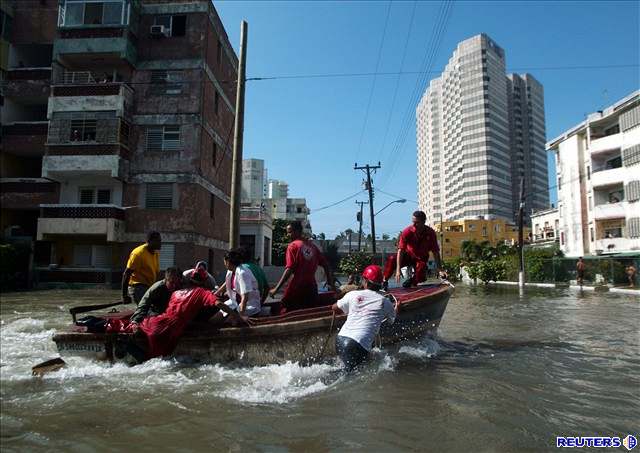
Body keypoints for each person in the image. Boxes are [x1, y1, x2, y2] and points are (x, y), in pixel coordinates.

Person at [126, 287, 247, 362]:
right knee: (157, 359)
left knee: (154, 360)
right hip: (172, 328)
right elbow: (218, 304)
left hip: (156, 322)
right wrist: (236, 316)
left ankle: (127, 345)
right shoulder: (202, 292)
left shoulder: (175, 292)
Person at [331, 265, 398, 372]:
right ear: (380, 284)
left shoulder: (352, 295)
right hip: (357, 344)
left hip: (340, 340)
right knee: (352, 376)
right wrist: (397, 308)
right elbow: (391, 320)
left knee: (345, 371)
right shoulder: (384, 302)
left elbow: (334, 307)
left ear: (365, 281)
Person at [269, 221, 336, 312]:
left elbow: (289, 269)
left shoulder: (292, 246)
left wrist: (276, 289)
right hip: (311, 289)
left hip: (296, 288)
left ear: (297, 231)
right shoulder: (312, 247)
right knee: (310, 313)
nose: (287, 235)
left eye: (290, 232)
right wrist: (330, 284)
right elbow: (326, 265)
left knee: (285, 310)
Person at [383, 211, 443, 289]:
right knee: (391, 259)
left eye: (417, 222)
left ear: (423, 222)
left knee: (421, 271)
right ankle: (384, 281)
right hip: (408, 256)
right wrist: (398, 270)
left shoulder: (430, 233)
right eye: (413, 222)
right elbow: (400, 251)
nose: (414, 224)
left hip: (421, 258)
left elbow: (435, 252)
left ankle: (412, 281)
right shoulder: (407, 232)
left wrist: (440, 269)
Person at [214, 248, 262, 318]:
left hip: (248, 305)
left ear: (228, 261)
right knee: (216, 318)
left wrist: (241, 315)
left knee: (230, 320)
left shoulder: (242, 273)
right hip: (235, 302)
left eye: (224, 261)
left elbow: (245, 297)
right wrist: (217, 293)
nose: (224, 263)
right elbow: (227, 282)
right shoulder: (231, 271)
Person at [122, 231, 161, 305]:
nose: (160, 243)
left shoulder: (155, 253)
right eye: (158, 241)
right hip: (137, 286)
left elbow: (156, 273)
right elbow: (126, 274)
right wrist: (124, 296)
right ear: (150, 241)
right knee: (147, 309)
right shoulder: (138, 254)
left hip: (149, 286)